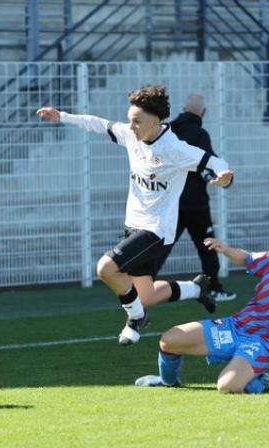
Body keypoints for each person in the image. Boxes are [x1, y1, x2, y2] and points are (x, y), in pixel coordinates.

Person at [37, 85, 234, 346]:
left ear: (155, 121)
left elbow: (214, 161)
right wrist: (62, 116)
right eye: (130, 120)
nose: (131, 127)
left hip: (156, 230)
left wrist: (225, 177)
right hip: (133, 225)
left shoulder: (174, 148)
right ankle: (198, 288)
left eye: (136, 122)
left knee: (106, 269)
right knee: (147, 295)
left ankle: (136, 319)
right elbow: (97, 123)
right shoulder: (133, 136)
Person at [135, 210, 269, 394]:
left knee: (225, 386)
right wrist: (224, 249)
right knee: (168, 340)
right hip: (236, 326)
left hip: (262, 342)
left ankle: (258, 378)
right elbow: (247, 259)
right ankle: (168, 381)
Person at [158, 94, 236, 302]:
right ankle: (213, 287)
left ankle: (142, 284)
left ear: (183, 108)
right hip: (194, 203)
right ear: (203, 112)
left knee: (162, 245)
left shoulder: (167, 130)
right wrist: (217, 178)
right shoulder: (200, 134)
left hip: (169, 201)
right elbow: (207, 163)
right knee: (207, 246)